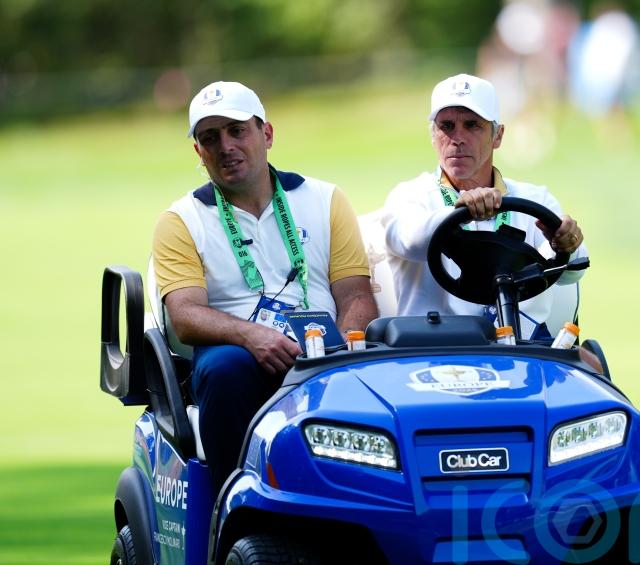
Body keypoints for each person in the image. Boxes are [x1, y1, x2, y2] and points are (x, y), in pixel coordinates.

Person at [152, 81, 378, 494]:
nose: (226, 147)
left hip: (320, 350)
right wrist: (253, 337)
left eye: (237, 131)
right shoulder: (182, 220)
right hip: (237, 357)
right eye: (210, 138)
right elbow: (184, 316)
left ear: (267, 134)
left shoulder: (325, 199)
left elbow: (356, 295)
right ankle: (234, 507)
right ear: (199, 152)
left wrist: (343, 348)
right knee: (225, 369)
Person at [382, 73, 595, 355]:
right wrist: (460, 212)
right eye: (446, 126)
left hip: (525, 352)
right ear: (433, 135)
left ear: (498, 136)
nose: (457, 139)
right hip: (434, 353)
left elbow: (572, 273)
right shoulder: (411, 195)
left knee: (592, 366)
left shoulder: (535, 197)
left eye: (472, 125)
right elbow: (408, 240)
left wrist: (566, 244)